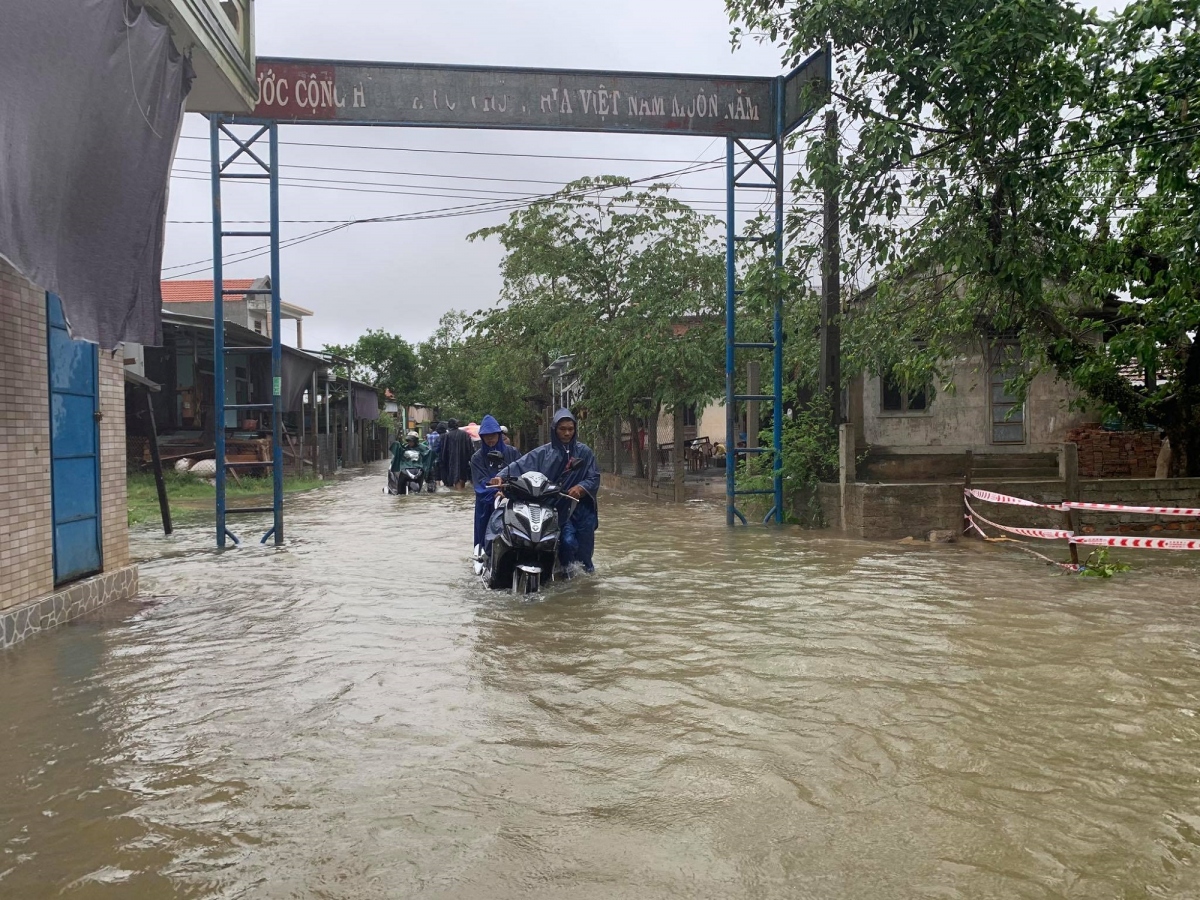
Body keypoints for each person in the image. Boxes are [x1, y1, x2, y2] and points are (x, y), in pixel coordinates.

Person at [488, 408, 600, 573]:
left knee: (584, 546)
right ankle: (565, 573)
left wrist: (581, 487)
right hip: (556, 506)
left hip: (581, 507)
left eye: (571, 429)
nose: (567, 433)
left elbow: (594, 477)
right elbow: (520, 465)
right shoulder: (543, 453)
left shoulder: (585, 452)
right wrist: (501, 478)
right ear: (554, 430)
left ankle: (586, 578)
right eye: (563, 429)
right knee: (566, 542)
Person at [470, 415, 521, 555]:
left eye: (493, 435)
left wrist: (509, 491)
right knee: (486, 537)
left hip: (512, 500)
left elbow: (521, 474)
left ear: (499, 435)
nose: (490, 438)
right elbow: (480, 483)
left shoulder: (512, 453)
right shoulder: (477, 458)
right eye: (486, 435)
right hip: (487, 504)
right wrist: (495, 494)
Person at [439, 418, 474, 489]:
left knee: (455, 478)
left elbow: (444, 450)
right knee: (462, 477)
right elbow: (470, 448)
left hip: (452, 460)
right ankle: (461, 493)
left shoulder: (447, 435)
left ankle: (459, 494)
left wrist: (443, 461)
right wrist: (471, 459)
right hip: (464, 460)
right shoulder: (465, 434)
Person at [424, 423, 441, 492]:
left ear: (431, 429)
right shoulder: (439, 436)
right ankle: (439, 485)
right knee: (438, 473)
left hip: (431, 457)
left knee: (432, 473)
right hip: (438, 456)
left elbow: (427, 446)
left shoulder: (429, 436)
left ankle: (435, 486)